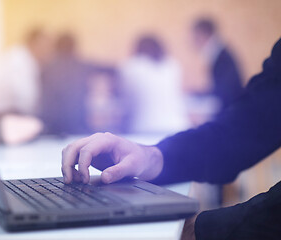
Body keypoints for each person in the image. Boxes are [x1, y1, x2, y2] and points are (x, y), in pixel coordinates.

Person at [61, 38, 281, 239]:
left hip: (146, 129)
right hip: (173, 127)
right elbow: (251, 122)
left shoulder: (132, 67)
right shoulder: (171, 65)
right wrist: (152, 155)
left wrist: (208, 229)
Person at [40, 33, 114, 135]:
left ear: (56, 47)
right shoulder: (82, 66)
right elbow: (110, 69)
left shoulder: (46, 68)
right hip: (77, 123)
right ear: (74, 47)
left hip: (51, 125)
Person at [120, 35, 189, 133]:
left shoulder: (131, 66)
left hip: (144, 128)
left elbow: (127, 102)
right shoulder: (173, 64)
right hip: (177, 126)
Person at [192, 18, 243, 112]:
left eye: (196, 37)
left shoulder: (221, 57)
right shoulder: (219, 53)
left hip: (231, 111)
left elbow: (224, 93)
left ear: (204, 34)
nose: (193, 41)